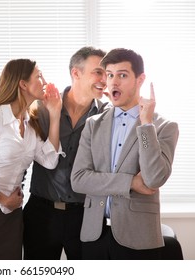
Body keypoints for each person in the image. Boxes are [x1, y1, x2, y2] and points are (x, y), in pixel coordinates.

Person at [71, 48, 179, 259]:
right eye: (109, 75)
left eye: (122, 75)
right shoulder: (93, 125)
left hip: (138, 238)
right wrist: (130, 182)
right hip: (95, 235)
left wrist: (146, 125)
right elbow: (79, 180)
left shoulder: (164, 126)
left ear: (140, 79)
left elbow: (154, 178)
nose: (113, 82)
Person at [0, 58, 64, 260]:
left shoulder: (29, 123)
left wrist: (55, 114)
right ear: (23, 84)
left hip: (12, 212)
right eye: (38, 76)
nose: (44, 80)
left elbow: (50, 161)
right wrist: (3, 199)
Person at [23, 46, 109, 260]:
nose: (105, 79)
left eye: (106, 73)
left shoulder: (107, 116)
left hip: (86, 215)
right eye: (98, 71)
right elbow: (17, 149)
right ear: (76, 73)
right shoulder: (40, 109)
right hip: (41, 214)